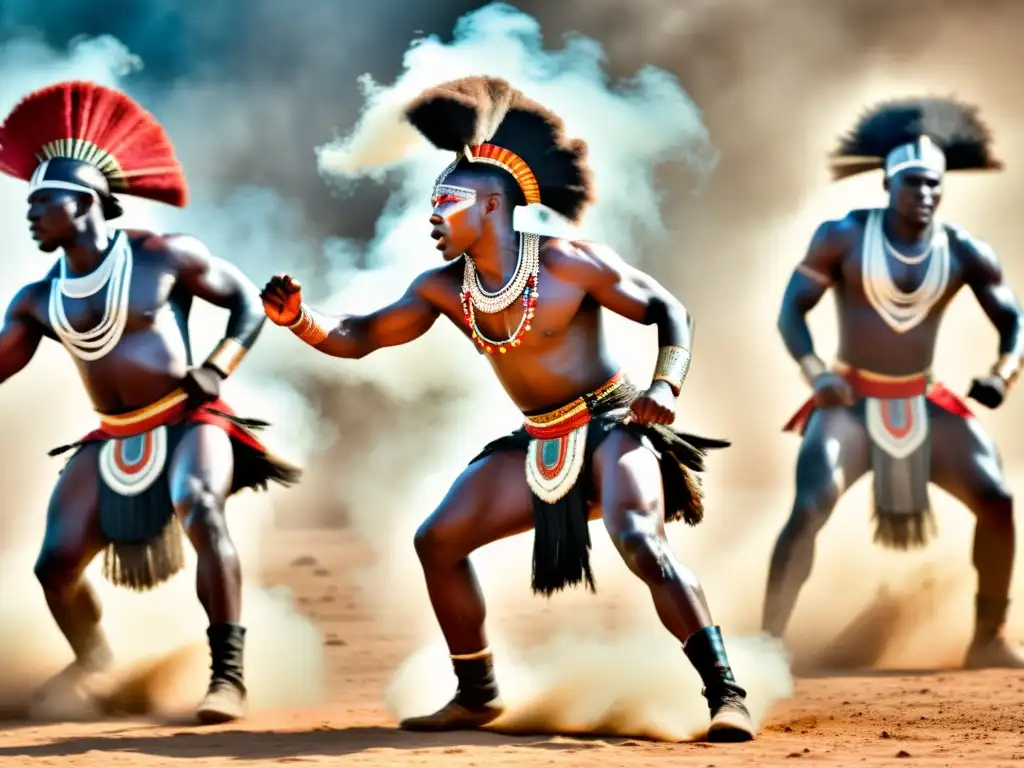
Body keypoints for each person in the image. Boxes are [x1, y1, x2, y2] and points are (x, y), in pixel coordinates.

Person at [261, 76, 754, 741]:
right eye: (432, 203)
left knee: (640, 541)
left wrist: (665, 387)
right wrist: (300, 321)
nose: (433, 216)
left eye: (447, 202)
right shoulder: (441, 288)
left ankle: (727, 694)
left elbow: (669, 310)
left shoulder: (568, 264)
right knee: (438, 540)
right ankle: (477, 693)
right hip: (538, 438)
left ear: (492, 204)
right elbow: (363, 336)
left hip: (615, 426)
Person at [0, 80, 300, 723]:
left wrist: (219, 364)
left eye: (41, 201)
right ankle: (96, 661)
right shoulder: (35, 298)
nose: (28, 214)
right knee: (53, 566)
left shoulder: (160, 254)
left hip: (191, 420)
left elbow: (246, 303)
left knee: (199, 504)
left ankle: (228, 677)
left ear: (82, 202)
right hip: (112, 436)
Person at [763, 97, 1024, 668]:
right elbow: (791, 310)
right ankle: (766, 644)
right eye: (913, 185)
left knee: (999, 501)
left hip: (923, 399)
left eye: (934, 185)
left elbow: (1014, 321)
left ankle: (987, 637)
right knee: (810, 506)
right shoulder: (844, 236)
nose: (926, 195)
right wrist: (817, 373)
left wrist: (1003, 374)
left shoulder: (963, 250)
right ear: (887, 183)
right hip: (849, 402)